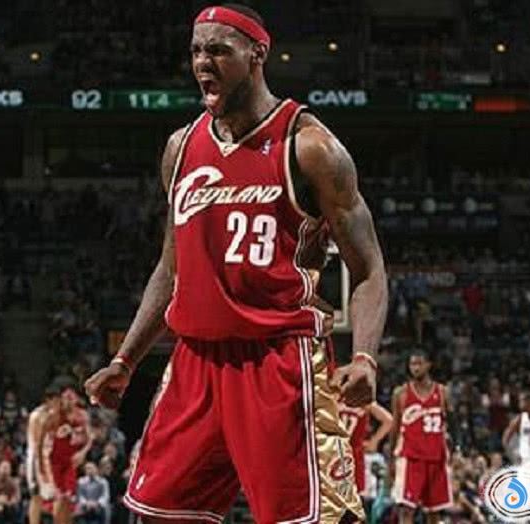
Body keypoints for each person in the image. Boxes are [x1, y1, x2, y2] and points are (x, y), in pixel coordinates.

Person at [84, 3, 388, 522]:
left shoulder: (310, 147)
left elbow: (369, 269)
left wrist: (364, 357)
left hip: (278, 359)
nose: (203, 62)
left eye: (219, 50)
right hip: (195, 360)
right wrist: (126, 360)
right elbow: (170, 269)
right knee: (159, 515)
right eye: (196, 51)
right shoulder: (180, 148)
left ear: (257, 54)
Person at [390, 351, 452, 524]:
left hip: (436, 458)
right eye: (412, 364)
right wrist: (391, 459)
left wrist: (455, 450)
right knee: (406, 509)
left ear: (428, 365)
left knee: (434, 512)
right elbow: (395, 428)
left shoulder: (442, 392)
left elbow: (453, 424)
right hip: (411, 458)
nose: (415, 368)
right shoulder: (401, 393)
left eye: (419, 364)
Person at [48, 385, 91, 524]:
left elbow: (89, 438)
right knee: (57, 498)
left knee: (68, 498)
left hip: (70, 461)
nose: (67, 401)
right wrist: (57, 434)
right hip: (54, 460)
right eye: (65, 398)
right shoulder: (55, 414)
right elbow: (46, 437)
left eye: (70, 397)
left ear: (76, 399)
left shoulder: (82, 415)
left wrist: (82, 453)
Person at [26, 386, 60, 524]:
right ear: (48, 400)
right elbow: (37, 442)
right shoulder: (37, 415)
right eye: (56, 401)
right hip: (36, 458)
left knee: (58, 495)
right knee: (36, 496)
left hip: (51, 458)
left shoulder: (55, 414)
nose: (58, 403)